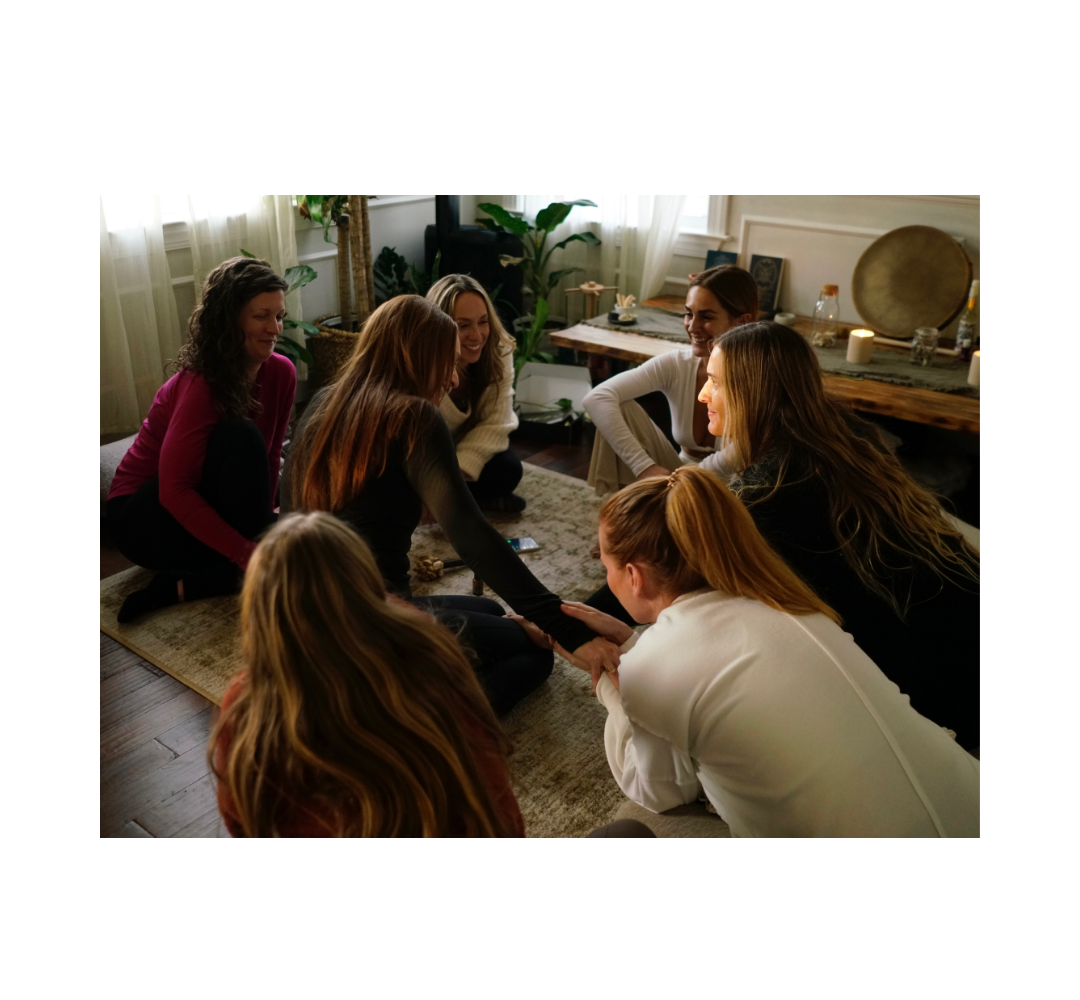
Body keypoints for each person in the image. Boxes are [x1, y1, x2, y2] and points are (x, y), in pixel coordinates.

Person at [526, 467, 980, 838]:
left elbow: (656, 789)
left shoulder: (653, 665)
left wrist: (611, 687)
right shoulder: (789, 604)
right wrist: (631, 643)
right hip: (979, 812)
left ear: (634, 575)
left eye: (603, 566)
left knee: (633, 828)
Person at [283, 294, 622, 715]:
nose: (454, 379)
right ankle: (421, 726)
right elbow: (472, 536)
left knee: (493, 611)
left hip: (304, 620)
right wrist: (564, 631)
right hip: (371, 618)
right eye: (447, 362)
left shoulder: (322, 402)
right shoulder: (413, 417)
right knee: (534, 654)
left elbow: (287, 519)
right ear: (417, 358)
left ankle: (387, 683)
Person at [706, 322, 988, 751]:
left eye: (714, 382)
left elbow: (672, 572)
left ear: (752, 393)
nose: (704, 395)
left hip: (939, 677)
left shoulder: (765, 495)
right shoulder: (837, 429)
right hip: (969, 603)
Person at [210, 511, 526, 838]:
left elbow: (240, 823)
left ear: (259, 609)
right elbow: (499, 815)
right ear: (367, 583)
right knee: (530, 658)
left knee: (493, 615)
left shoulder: (245, 702)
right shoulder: (429, 661)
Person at [107, 256, 296, 623]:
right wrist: (246, 552)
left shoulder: (281, 373)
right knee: (240, 435)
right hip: (143, 515)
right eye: (261, 316)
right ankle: (230, 572)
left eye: (279, 316)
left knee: (303, 544)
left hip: (200, 499)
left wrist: (261, 532)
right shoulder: (200, 385)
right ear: (230, 321)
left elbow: (271, 456)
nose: (275, 328)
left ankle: (180, 588)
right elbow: (175, 491)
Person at [582, 264, 758, 498]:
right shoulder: (677, 364)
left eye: (706, 317)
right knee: (619, 406)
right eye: (688, 314)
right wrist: (645, 468)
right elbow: (597, 397)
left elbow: (726, 466)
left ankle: (640, 514)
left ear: (742, 322)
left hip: (730, 493)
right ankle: (622, 510)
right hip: (678, 474)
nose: (692, 327)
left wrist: (671, 488)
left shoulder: (761, 379)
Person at [427, 274, 526, 514]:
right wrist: (430, 487)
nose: (477, 335)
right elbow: (413, 440)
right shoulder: (424, 360)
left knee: (508, 468)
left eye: (483, 321)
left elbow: (497, 423)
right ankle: (475, 504)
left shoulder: (499, 350)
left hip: (460, 455)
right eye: (463, 325)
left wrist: (451, 484)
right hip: (425, 458)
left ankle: (458, 503)